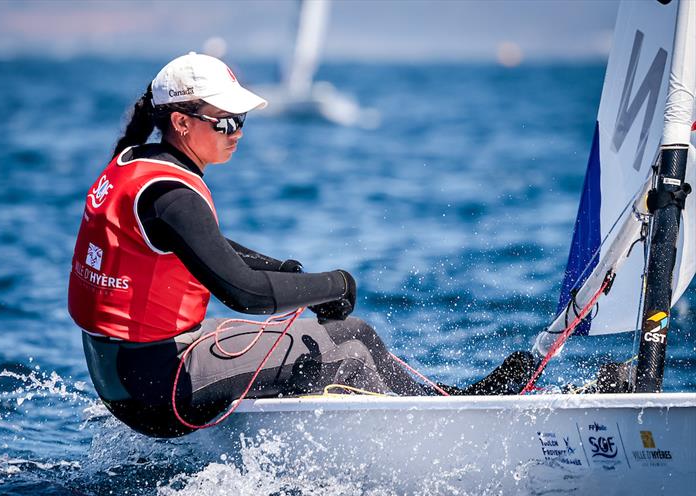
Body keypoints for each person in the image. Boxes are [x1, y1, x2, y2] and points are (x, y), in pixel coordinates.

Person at [68, 53, 533, 438]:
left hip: (126, 374)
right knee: (347, 355)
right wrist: (334, 284)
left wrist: (286, 271)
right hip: (156, 390)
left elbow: (202, 246)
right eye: (226, 122)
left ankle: (446, 403)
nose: (239, 132)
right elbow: (246, 294)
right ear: (180, 123)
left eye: (242, 119)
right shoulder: (172, 195)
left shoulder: (137, 163)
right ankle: (438, 441)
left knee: (359, 333)